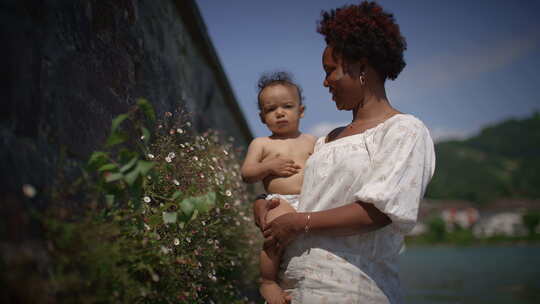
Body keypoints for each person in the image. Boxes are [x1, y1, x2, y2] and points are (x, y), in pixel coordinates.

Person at [252, 2, 436, 303]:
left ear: (361, 67)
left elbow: (379, 211)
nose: (324, 82)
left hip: (352, 290)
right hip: (293, 289)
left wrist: (300, 222)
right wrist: (264, 203)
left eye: (330, 71)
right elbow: (302, 195)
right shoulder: (326, 141)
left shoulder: (404, 130)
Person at [241, 71, 317, 304]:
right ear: (262, 117)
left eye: (287, 106)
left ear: (300, 111)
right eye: (271, 109)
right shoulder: (262, 143)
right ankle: (268, 281)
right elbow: (247, 174)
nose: (280, 113)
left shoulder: (312, 141)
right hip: (279, 200)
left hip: (311, 200)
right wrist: (269, 165)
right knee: (273, 237)